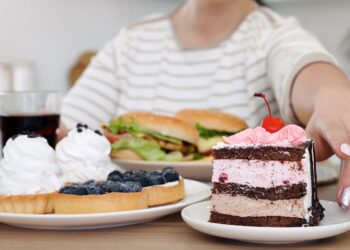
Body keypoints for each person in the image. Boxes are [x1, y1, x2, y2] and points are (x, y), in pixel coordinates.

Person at [59, 0, 350, 208]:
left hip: (236, 224)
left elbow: (314, 74)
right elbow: (64, 132)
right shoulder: (132, 41)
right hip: (121, 227)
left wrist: (334, 100)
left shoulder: (272, 35)